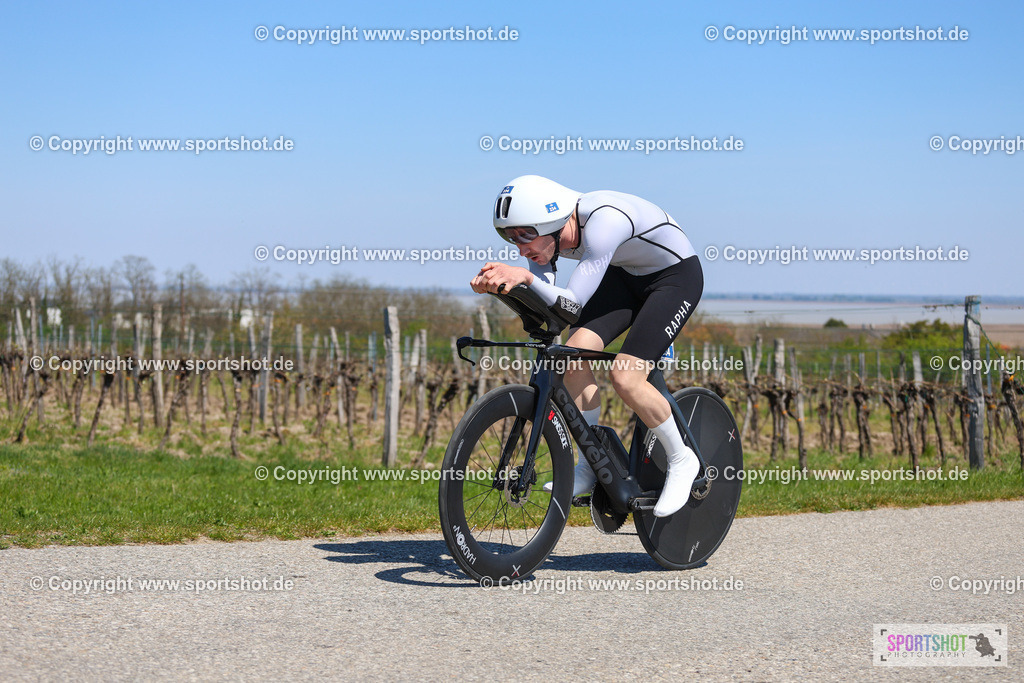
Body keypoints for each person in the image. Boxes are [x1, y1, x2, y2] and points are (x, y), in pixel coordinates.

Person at [471, 175, 704, 517]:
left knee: (625, 377)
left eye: (525, 235)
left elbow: (573, 303)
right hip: (624, 275)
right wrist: (503, 288)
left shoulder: (604, 221)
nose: (520, 248)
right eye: (510, 237)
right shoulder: (547, 238)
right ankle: (591, 463)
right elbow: (550, 305)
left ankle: (683, 459)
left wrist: (525, 278)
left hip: (673, 278)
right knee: (573, 355)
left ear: (553, 222)